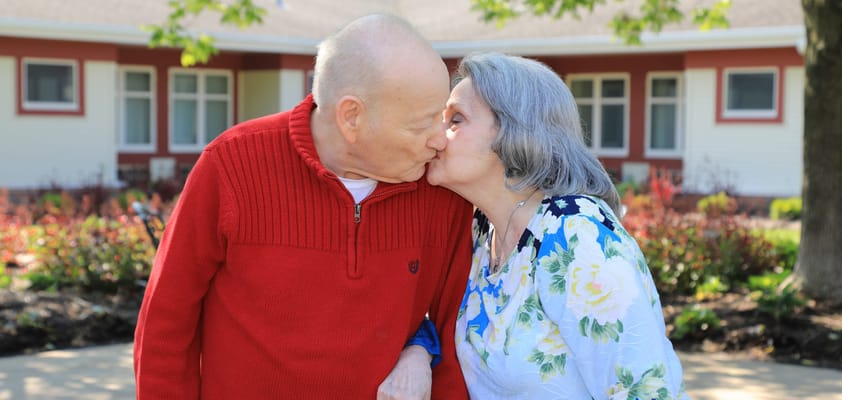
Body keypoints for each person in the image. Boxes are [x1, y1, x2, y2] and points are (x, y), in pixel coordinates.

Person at [133, 14, 472, 399]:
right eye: (420, 125)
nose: (439, 141)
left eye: (442, 119)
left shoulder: (442, 190)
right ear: (351, 117)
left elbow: (456, 336)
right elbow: (166, 322)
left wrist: (421, 350)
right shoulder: (232, 165)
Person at [425, 52, 689, 399]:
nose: (436, 135)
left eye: (456, 119)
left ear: (513, 132)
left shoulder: (575, 238)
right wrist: (418, 351)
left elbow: (647, 391)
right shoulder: (481, 232)